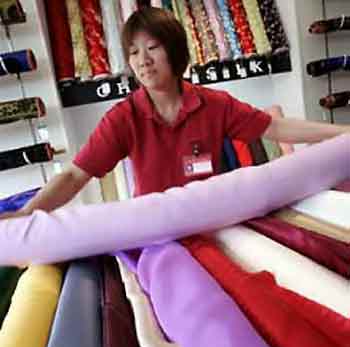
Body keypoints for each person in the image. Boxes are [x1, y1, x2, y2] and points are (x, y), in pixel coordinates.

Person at [1, 6, 348, 220]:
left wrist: (341, 135)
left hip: (212, 220)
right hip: (157, 229)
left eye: (152, 48)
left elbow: (274, 127)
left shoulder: (214, 104)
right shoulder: (124, 118)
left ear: (175, 50)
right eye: (134, 52)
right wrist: (27, 214)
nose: (142, 60)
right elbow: (76, 176)